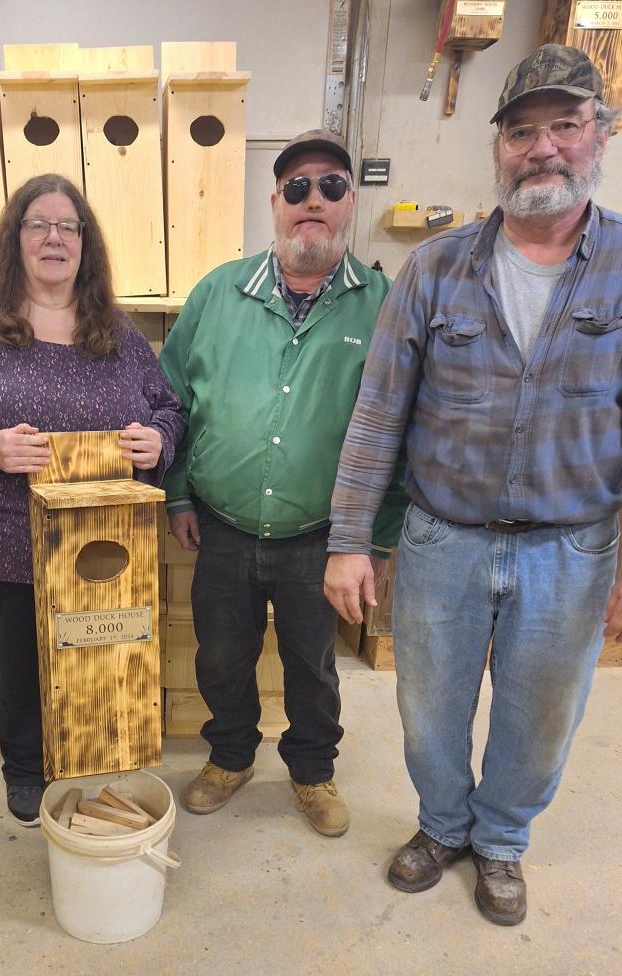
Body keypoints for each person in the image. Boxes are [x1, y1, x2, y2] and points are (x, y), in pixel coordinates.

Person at [324, 45, 622, 925]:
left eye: (564, 127)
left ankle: (500, 842)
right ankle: (443, 824)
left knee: (541, 716)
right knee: (427, 708)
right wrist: (348, 540)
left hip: (570, 548)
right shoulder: (435, 268)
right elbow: (378, 413)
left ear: (598, 135)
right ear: (498, 148)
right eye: (522, 132)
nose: (542, 149)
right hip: (441, 537)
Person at [0, 173, 185, 827]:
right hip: (8, 538)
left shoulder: (113, 330)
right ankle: (26, 769)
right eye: (39, 224)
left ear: (85, 244)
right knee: (20, 663)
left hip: (106, 544)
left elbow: (169, 408)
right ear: (16, 238)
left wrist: (157, 442)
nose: (54, 237)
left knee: (98, 653)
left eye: (68, 227)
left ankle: (91, 761)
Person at [158, 130, 406, 835]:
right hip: (224, 527)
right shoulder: (218, 293)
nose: (312, 201)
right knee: (222, 653)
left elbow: (402, 429)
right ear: (274, 204)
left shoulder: (385, 305)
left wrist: (376, 540)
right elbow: (170, 399)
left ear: (350, 203)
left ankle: (311, 771)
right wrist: (177, 490)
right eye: (296, 188)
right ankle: (230, 756)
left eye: (330, 187)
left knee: (313, 663)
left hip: (322, 537)